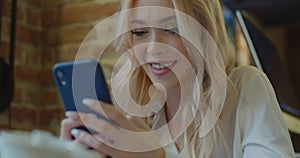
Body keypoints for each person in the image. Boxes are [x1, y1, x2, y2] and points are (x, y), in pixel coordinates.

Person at [60, 0, 295, 157]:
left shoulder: (246, 86)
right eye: (140, 32)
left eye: (172, 30)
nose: (152, 49)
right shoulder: (137, 117)